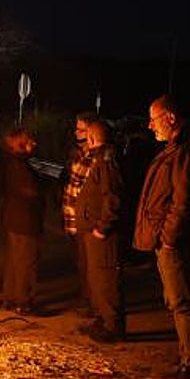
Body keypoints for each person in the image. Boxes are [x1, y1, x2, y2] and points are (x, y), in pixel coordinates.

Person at [133, 95, 190, 379]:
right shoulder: (175, 149)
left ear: (171, 118)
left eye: (154, 118)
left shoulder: (186, 151)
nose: (150, 124)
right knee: (178, 302)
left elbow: (183, 201)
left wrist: (167, 239)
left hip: (177, 244)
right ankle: (187, 366)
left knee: (183, 303)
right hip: (171, 241)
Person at [75, 119, 125, 341]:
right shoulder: (98, 159)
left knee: (105, 278)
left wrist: (103, 227)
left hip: (101, 232)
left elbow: (112, 197)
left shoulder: (106, 162)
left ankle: (113, 325)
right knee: (96, 277)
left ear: (92, 138)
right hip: (92, 229)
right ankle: (102, 319)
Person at [0, 126, 45, 314]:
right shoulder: (20, 166)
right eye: (29, 141)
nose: (34, 144)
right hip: (26, 220)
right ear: (20, 145)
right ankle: (24, 301)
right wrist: (44, 185)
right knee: (26, 261)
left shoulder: (13, 162)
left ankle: (11, 298)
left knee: (15, 260)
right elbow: (31, 191)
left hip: (14, 219)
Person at [62, 111, 100, 314]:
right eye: (76, 129)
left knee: (90, 265)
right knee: (81, 263)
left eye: (81, 129)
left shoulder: (97, 157)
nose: (77, 133)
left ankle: (94, 303)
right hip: (73, 218)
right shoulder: (77, 153)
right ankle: (87, 298)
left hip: (85, 220)